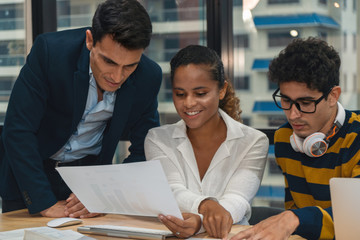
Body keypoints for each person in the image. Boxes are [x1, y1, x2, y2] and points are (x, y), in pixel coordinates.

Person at [0, 0, 162, 218]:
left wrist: (106, 189)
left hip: (90, 180)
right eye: (109, 62)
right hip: (30, 176)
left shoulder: (148, 76)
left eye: (130, 66)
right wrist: (44, 203)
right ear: (89, 41)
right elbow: (18, 129)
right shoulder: (50, 52)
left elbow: (146, 146)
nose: (117, 77)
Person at [231, 37, 360, 240]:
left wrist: (295, 219)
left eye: (305, 103)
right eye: (286, 100)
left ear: (333, 96)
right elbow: (296, 215)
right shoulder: (285, 139)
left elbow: (355, 219)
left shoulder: (356, 138)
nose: (293, 115)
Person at [144, 45, 269, 239]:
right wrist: (206, 205)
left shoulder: (254, 141)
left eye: (200, 93)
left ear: (222, 90)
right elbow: (171, 190)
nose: (189, 103)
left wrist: (200, 222)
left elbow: (238, 200)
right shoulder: (158, 139)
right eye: (180, 94)